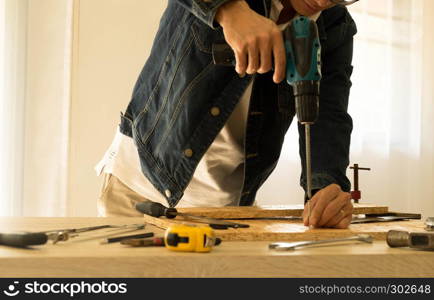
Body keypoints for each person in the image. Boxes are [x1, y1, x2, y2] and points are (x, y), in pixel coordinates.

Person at [95, 0, 358, 229]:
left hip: (230, 211)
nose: (324, 1)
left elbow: (329, 115)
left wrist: (325, 188)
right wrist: (229, 8)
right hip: (139, 190)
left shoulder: (335, 27)